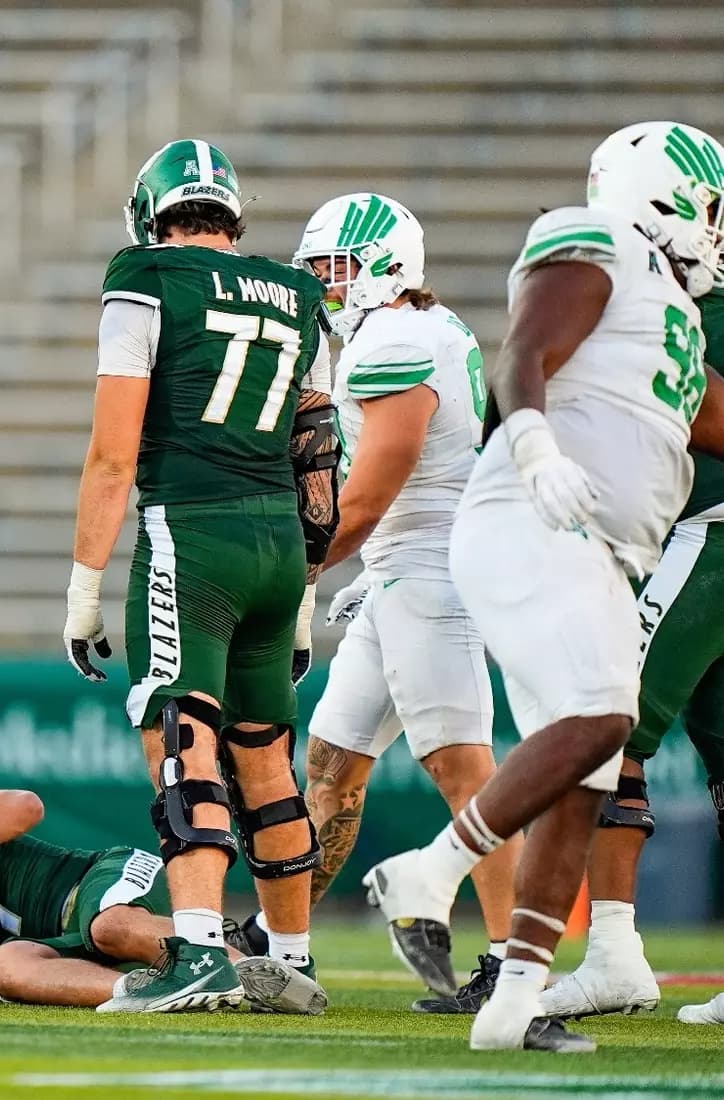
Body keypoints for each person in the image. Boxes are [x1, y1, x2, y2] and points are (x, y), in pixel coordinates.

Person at [364, 121, 724, 1053]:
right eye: (711, 205)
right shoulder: (596, 239)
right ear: (661, 191)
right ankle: (429, 872)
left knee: (587, 776)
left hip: (602, 551)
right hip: (537, 517)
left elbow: (715, 415)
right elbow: (520, 350)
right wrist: (531, 445)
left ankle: (514, 1002)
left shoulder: (676, 317)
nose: (717, 228)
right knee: (606, 717)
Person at [60, 139, 337, 1013]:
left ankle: (200, 956)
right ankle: (292, 958)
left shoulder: (145, 276)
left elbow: (112, 455)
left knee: (183, 744)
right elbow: (319, 455)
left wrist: (83, 586)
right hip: (279, 549)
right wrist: (305, 600)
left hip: (193, 535)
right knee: (267, 758)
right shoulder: (298, 294)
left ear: (153, 210)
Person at [230, 193, 523, 1013]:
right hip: (402, 570)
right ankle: (279, 941)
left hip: (432, 575)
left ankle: (514, 960)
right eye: (317, 268)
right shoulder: (419, 331)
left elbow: (363, 500)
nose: (325, 284)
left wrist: (292, 574)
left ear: (384, 266)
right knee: (329, 769)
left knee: (468, 775)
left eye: (338, 268)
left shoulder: (395, 340)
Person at [539, 287, 724, 1023]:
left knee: (599, 722)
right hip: (699, 531)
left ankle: (614, 953)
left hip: (707, 532)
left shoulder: (678, 301)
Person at [0, 785, 322, 1012]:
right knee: (6, 969)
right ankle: (148, 994)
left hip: (97, 879)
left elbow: (24, 807)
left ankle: (246, 973)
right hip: (65, 953)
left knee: (108, 928)